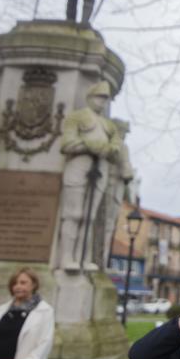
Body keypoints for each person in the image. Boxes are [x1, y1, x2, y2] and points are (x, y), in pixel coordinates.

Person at [58, 80, 121, 271]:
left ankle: (83, 258)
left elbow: (116, 148)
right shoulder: (76, 117)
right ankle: (66, 257)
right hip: (79, 164)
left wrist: (107, 149)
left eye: (105, 99)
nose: (102, 102)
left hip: (100, 167)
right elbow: (67, 143)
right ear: (90, 97)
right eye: (99, 97)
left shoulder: (109, 126)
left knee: (89, 217)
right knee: (73, 213)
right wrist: (90, 145)